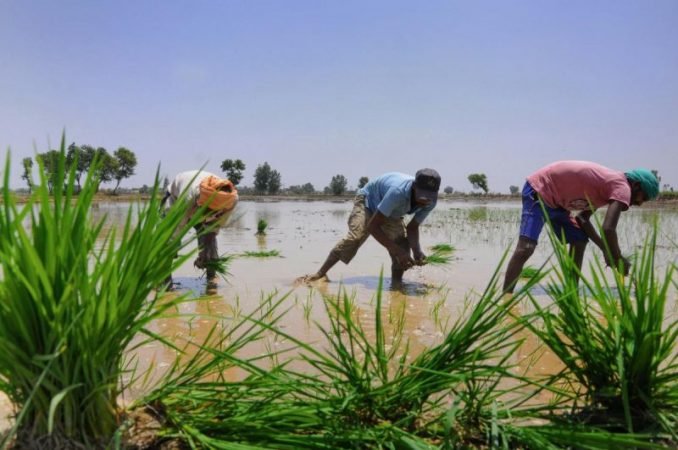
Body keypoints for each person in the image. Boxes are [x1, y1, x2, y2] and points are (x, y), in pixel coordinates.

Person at [503, 160, 659, 293]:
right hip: (539, 190)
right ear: (636, 185)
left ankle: (571, 291)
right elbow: (608, 229)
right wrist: (617, 257)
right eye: (643, 197)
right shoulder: (622, 187)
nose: (639, 203)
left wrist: (606, 249)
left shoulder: (609, 187)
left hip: (558, 204)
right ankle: (506, 297)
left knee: (579, 239)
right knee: (526, 247)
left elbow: (582, 219)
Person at [301, 168, 441, 284]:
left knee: (402, 245)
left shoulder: (431, 201)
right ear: (414, 187)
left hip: (391, 210)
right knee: (355, 238)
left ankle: (397, 286)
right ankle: (320, 274)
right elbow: (372, 226)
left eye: (430, 196)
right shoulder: (397, 192)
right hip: (369, 201)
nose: (426, 201)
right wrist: (395, 250)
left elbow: (412, 227)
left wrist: (417, 251)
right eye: (423, 196)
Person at [162, 169, 238, 286]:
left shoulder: (231, 200)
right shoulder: (189, 197)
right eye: (206, 211)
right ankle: (165, 281)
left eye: (212, 212)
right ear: (201, 203)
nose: (206, 217)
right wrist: (171, 247)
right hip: (176, 199)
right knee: (167, 242)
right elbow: (176, 230)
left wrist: (204, 252)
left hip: (199, 204)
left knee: (210, 243)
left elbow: (213, 228)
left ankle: (211, 277)